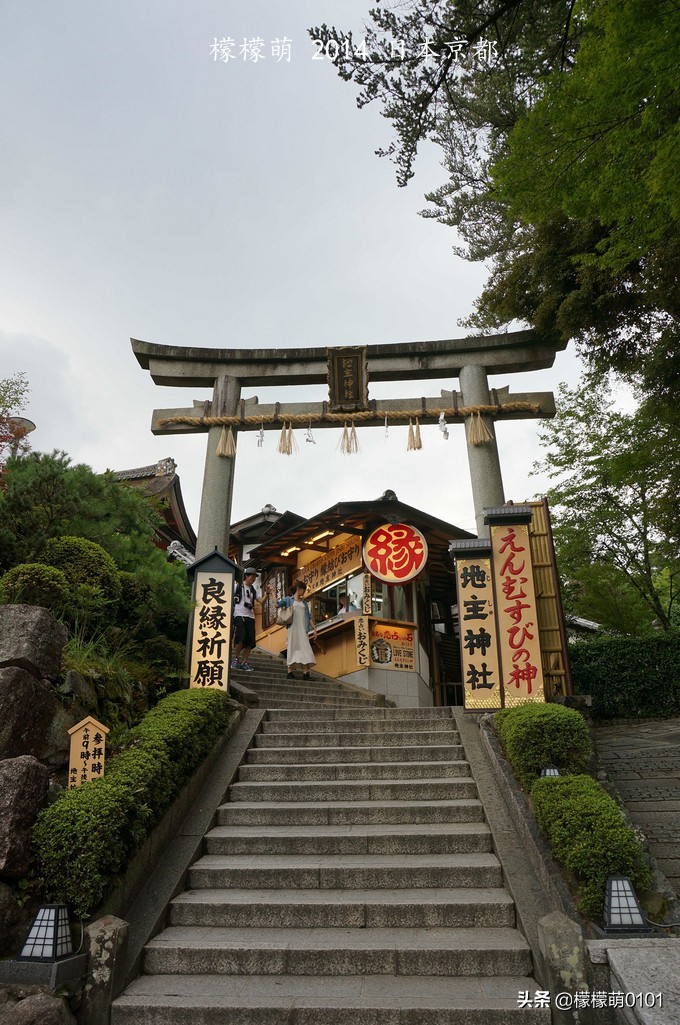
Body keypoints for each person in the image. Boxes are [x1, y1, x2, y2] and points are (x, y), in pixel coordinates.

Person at [277, 580, 318, 679]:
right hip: (293, 628)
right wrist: (271, 593)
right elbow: (277, 604)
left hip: (303, 629)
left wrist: (314, 629)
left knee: (305, 649)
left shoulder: (304, 602)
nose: (304, 592)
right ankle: (290, 672)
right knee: (293, 648)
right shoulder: (288, 599)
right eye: (303, 590)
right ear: (298, 589)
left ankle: (305, 673)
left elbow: (308, 617)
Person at [231, 568, 269, 672]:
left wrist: (267, 594)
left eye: (254, 577)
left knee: (250, 641)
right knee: (240, 637)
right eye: (252, 576)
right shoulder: (236, 587)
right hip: (239, 615)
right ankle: (235, 659)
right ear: (246, 576)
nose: (253, 579)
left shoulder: (253, 590)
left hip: (250, 617)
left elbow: (261, 601)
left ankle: (244, 662)